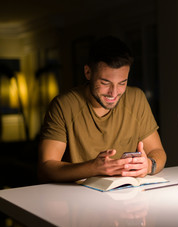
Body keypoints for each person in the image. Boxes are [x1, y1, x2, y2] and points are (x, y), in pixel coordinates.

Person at [37, 36, 166, 183]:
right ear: (88, 72)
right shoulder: (63, 105)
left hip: (127, 196)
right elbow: (46, 167)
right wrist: (94, 168)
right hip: (76, 199)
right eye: (105, 83)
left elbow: (158, 152)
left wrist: (149, 165)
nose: (114, 92)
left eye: (122, 83)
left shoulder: (136, 98)